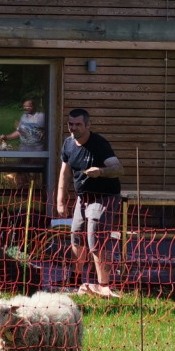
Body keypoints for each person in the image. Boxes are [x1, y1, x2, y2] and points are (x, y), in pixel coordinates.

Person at [56, 108, 124, 299]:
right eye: (70, 124)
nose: (73, 128)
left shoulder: (99, 144)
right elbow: (65, 173)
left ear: (88, 125)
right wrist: (60, 201)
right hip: (82, 198)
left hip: (103, 196)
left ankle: (104, 286)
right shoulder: (68, 144)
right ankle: (75, 281)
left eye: (78, 124)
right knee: (77, 236)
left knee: (96, 239)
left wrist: (101, 171)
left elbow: (119, 169)